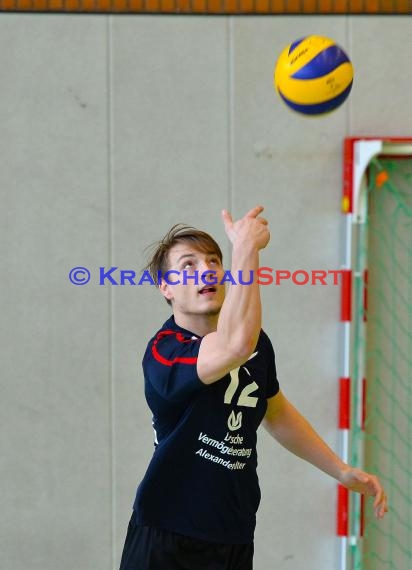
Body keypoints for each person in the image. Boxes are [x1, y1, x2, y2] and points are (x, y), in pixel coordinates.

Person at [119, 206, 388, 570]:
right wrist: (245, 248)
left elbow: (275, 411)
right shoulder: (165, 352)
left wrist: (339, 470)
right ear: (165, 287)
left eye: (214, 261)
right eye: (188, 266)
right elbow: (233, 346)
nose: (206, 270)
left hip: (233, 534)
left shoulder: (257, 342)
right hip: (169, 534)